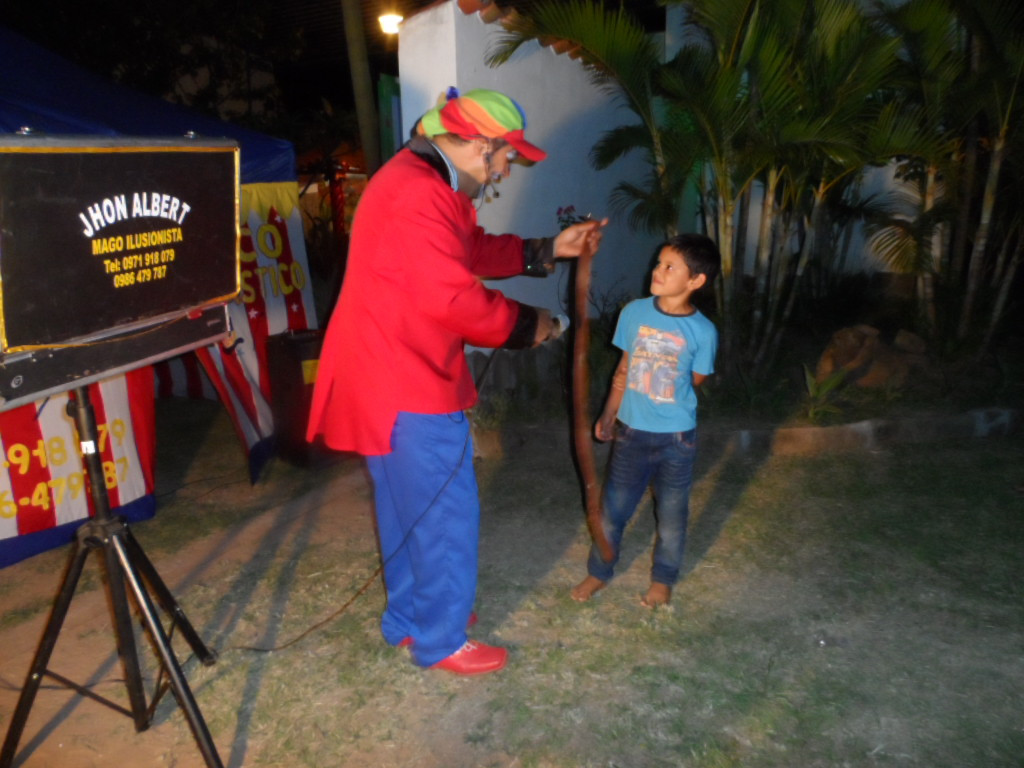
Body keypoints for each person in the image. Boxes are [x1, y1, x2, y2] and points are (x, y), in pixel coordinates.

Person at [306, 87, 607, 675]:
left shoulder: (418, 180)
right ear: (480, 145)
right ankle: (441, 639)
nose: (505, 169)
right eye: (506, 156)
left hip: (381, 375)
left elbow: (466, 249)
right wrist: (533, 325)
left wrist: (548, 249)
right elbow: (453, 297)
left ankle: (410, 620)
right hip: (408, 378)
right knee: (444, 514)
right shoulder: (420, 194)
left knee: (406, 511)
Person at [571, 233, 720, 608]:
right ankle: (599, 571)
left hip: (676, 438)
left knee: (671, 515)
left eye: (670, 267)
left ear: (696, 280)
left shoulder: (703, 331)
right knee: (612, 511)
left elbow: (696, 378)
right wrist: (609, 413)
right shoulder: (634, 313)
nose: (658, 270)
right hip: (631, 433)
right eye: (658, 263)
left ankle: (663, 579)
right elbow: (624, 368)